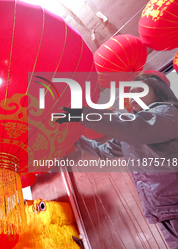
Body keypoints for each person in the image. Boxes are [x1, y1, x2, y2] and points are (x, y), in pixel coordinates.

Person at [57, 72, 178, 249]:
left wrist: (79, 114)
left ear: (158, 91)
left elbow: (136, 128)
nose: (133, 97)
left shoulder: (168, 112)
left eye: (140, 91)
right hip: (162, 209)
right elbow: (103, 151)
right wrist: (75, 139)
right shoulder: (133, 131)